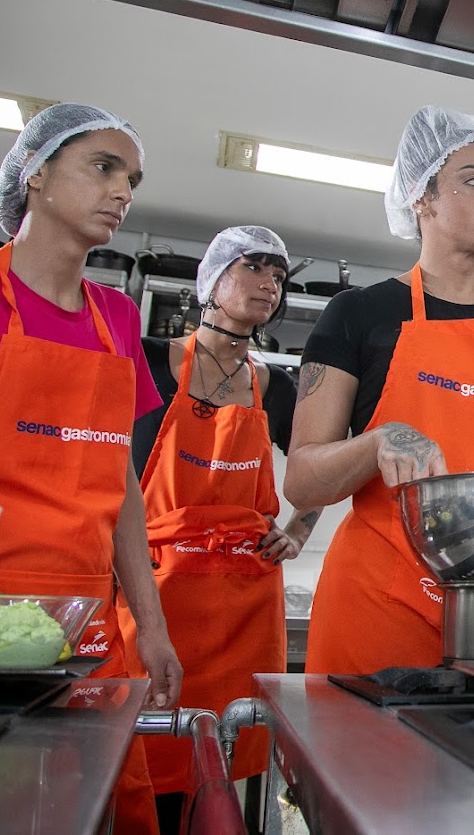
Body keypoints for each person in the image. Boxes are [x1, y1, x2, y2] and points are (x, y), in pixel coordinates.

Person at [0, 103, 179, 834]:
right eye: (103, 167)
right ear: (35, 173)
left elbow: (119, 481)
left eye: (132, 180)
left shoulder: (117, 319)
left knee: (92, 807)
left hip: (89, 633)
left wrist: (151, 625)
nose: (122, 191)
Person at [285, 106, 474, 673]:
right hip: (380, 602)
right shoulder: (360, 314)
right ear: (422, 198)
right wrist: (377, 441)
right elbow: (302, 479)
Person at [118, 226, 319, 830]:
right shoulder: (150, 359)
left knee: (224, 764)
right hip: (156, 598)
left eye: (278, 277)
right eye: (252, 268)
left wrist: (299, 529)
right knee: (144, 754)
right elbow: (106, 464)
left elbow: (321, 467)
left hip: (242, 609)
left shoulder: (274, 386)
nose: (269, 284)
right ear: (211, 279)